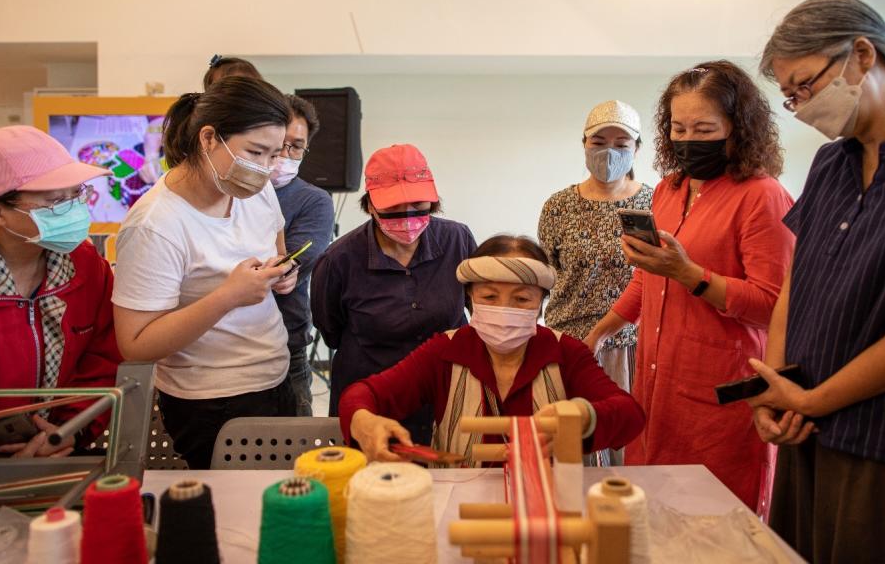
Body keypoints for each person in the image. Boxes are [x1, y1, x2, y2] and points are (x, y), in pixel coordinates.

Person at [747, 0, 885, 562]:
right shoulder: (834, 162)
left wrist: (817, 399)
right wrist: (775, 387)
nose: (801, 106)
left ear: (861, 54)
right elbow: (795, 286)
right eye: (790, 97)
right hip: (808, 432)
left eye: (805, 86)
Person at [584, 61, 794, 511]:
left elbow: (774, 306)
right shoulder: (668, 190)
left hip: (721, 396)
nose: (689, 141)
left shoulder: (762, 196)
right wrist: (600, 332)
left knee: (713, 526)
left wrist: (689, 274)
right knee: (650, 522)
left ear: (739, 129)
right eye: (679, 128)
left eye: (704, 129)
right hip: (657, 390)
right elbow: (648, 279)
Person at [112, 76, 299, 468]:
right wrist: (228, 295)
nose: (265, 169)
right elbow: (136, 344)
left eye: (274, 155)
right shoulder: (155, 225)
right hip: (210, 400)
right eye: (256, 152)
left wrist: (282, 269)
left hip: (275, 376)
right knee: (234, 520)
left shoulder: (256, 191)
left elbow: (275, 240)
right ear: (209, 138)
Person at [340, 234, 646, 463]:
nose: (504, 308)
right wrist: (363, 420)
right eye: (489, 296)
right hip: (461, 506)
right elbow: (363, 394)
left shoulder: (565, 353)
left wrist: (585, 415)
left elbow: (630, 415)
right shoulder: (443, 352)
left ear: (540, 303)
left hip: (553, 507)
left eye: (522, 299)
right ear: (470, 297)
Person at [311, 144, 476, 445]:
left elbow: (476, 303)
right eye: (393, 210)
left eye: (417, 205)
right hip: (372, 400)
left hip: (447, 393)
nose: (407, 217)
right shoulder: (340, 259)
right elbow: (331, 330)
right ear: (371, 205)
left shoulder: (457, 240)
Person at [0, 125, 121, 458]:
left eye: (76, 194)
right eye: (55, 201)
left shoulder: (85, 267)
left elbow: (104, 359)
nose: (74, 210)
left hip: (57, 453)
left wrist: (71, 429)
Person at [537, 100, 653, 438]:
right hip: (570, 342)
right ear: (584, 145)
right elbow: (547, 275)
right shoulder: (558, 206)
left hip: (632, 343)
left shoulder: (655, 202)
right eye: (598, 143)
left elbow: (659, 280)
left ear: (637, 149)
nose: (609, 153)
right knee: (570, 441)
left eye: (621, 145)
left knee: (627, 437)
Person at [272, 95, 335, 416]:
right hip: (218, 344)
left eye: (296, 146)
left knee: (292, 445)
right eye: (278, 143)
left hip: (286, 337)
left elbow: (296, 259)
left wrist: (282, 268)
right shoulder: (228, 193)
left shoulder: (313, 200)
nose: (284, 154)